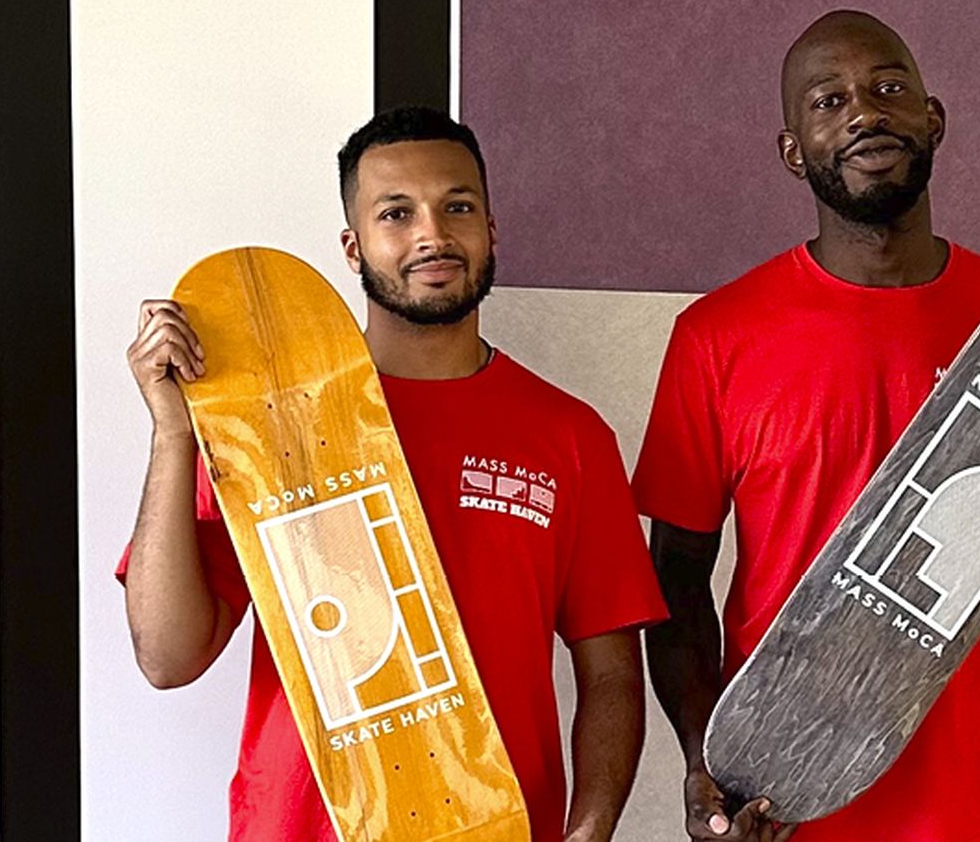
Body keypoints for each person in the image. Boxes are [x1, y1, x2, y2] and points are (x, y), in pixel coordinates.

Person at [635, 11, 980, 842]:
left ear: (932, 118)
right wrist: (707, 762)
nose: (864, 113)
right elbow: (676, 584)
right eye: (829, 101)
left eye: (887, 88)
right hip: (781, 809)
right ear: (793, 150)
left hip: (965, 816)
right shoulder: (716, 338)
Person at [118, 106, 667, 842]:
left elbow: (612, 675)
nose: (432, 235)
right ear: (354, 247)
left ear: (491, 229)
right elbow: (168, 657)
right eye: (396, 213)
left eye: (457, 207)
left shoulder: (570, 438)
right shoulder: (268, 424)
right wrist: (173, 433)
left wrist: (589, 832)